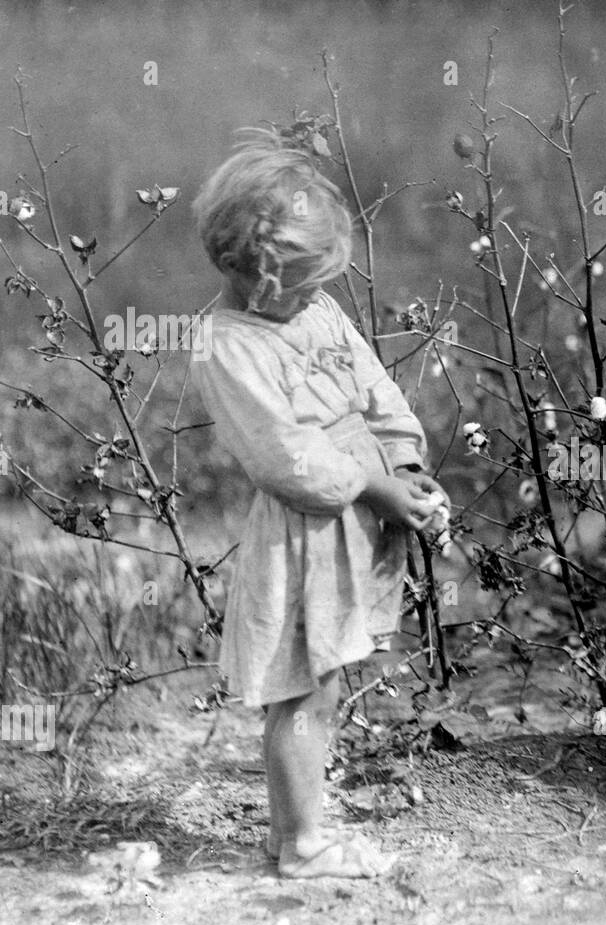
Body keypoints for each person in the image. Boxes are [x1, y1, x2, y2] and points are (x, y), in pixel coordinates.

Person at [191, 130, 448, 877]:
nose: (312, 296)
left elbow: (377, 388)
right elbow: (287, 459)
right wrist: (375, 486)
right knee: (303, 684)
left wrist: (404, 460)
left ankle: (290, 831)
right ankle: (304, 842)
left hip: (356, 515)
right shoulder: (227, 345)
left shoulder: (318, 312)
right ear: (252, 274)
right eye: (300, 284)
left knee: (326, 679)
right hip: (305, 534)